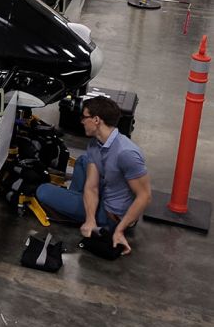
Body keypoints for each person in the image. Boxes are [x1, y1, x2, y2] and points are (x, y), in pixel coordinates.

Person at [36, 96, 152, 254]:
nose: (82, 121)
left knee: (43, 190)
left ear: (96, 120)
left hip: (110, 217)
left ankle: (76, 206)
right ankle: (80, 205)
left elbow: (144, 196)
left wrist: (119, 230)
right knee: (83, 161)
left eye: (84, 117)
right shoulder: (95, 144)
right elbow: (91, 187)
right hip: (105, 196)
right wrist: (90, 221)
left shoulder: (126, 153)